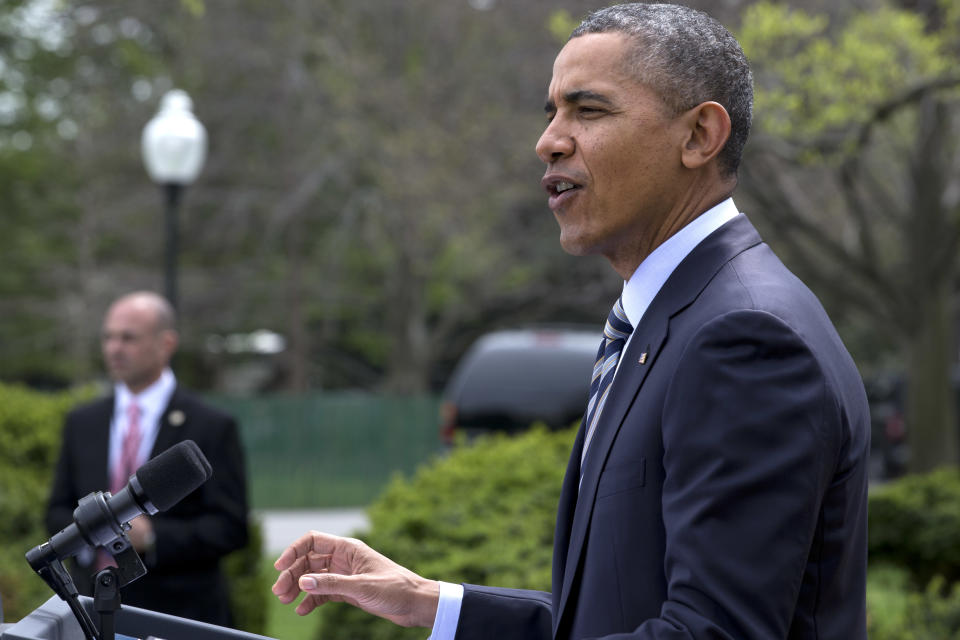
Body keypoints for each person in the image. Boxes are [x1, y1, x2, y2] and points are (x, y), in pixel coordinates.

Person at [272, 4, 870, 639]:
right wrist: (430, 602)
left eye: (589, 111)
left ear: (699, 136)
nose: (549, 140)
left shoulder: (743, 337)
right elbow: (619, 615)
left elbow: (712, 634)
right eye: (552, 112)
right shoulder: (672, 322)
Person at [46, 291, 249, 627]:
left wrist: (153, 537)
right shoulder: (82, 422)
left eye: (128, 338)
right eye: (108, 337)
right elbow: (56, 510)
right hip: (90, 612)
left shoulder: (210, 425)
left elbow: (230, 527)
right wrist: (89, 533)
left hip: (178, 615)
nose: (114, 348)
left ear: (166, 343)